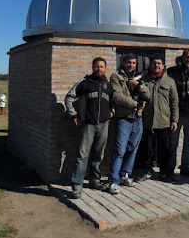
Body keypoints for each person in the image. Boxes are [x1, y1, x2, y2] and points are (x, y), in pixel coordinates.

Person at [64, 57, 114, 199]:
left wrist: (112, 112)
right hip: (88, 125)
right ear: (93, 67)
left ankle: (95, 181)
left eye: (102, 67)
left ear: (105, 68)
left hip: (104, 125)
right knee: (82, 156)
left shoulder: (108, 85)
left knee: (99, 155)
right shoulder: (84, 83)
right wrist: (73, 115)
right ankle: (77, 186)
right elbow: (69, 97)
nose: (99, 69)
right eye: (97, 66)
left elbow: (113, 102)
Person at [107, 54, 150, 195]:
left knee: (132, 149)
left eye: (133, 63)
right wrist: (136, 104)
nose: (131, 65)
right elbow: (117, 96)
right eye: (129, 63)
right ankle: (113, 181)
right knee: (119, 150)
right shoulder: (116, 77)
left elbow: (148, 95)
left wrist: (139, 85)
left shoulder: (138, 77)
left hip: (137, 119)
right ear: (123, 63)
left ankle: (124, 175)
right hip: (124, 118)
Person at [135, 54, 179, 183]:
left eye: (159, 63)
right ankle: (147, 171)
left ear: (163, 66)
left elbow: (174, 102)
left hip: (164, 121)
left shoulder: (169, 81)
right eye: (154, 63)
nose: (157, 65)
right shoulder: (143, 80)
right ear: (150, 65)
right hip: (147, 121)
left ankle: (164, 172)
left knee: (164, 149)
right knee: (147, 149)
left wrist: (174, 120)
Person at [167, 49, 189, 177]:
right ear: (182, 58)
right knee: (173, 142)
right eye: (187, 57)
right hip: (176, 114)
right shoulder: (172, 72)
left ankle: (186, 168)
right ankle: (170, 168)